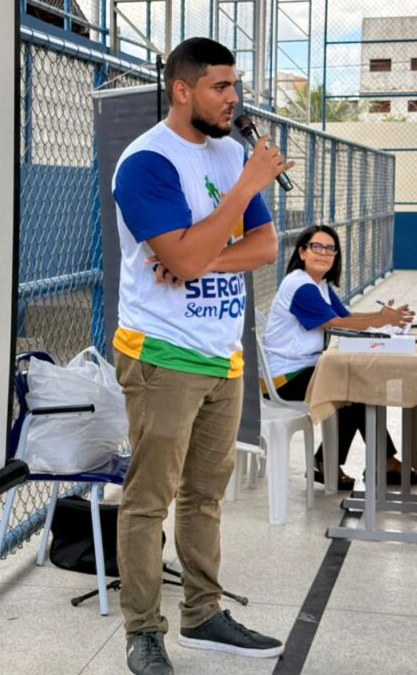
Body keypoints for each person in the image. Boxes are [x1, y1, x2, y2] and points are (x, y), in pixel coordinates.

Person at [112, 37, 295, 675]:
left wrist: (198, 260)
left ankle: (203, 613)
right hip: (162, 355)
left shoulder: (231, 151)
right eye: (220, 87)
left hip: (223, 354)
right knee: (148, 500)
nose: (233, 99)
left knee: (205, 497)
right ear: (182, 89)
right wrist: (243, 190)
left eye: (235, 85)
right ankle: (143, 632)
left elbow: (265, 248)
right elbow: (184, 257)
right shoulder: (147, 162)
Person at [263, 224, 417, 490]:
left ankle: (337, 460)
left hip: (304, 367)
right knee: (355, 387)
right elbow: (334, 324)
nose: (324, 253)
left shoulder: (319, 284)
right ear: (302, 252)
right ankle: (367, 461)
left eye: (330, 249)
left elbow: (345, 316)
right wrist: (381, 319)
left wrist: (384, 319)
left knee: (357, 384)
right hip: (284, 378)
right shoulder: (301, 286)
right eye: (317, 247)